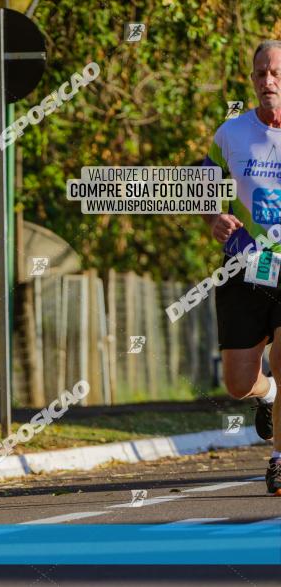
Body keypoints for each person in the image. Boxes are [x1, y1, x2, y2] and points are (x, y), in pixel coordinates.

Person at [203, 40, 281, 495]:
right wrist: (215, 218)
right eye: (259, 74)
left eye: (274, 73)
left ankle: (277, 460)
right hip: (244, 266)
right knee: (237, 383)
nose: (267, 82)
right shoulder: (229, 135)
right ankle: (268, 394)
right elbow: (202, 190)